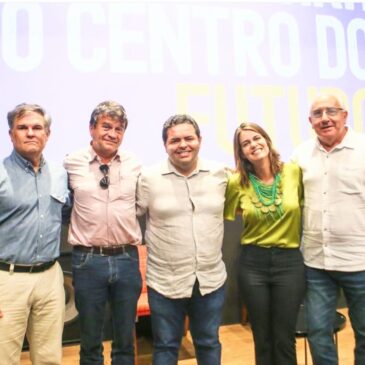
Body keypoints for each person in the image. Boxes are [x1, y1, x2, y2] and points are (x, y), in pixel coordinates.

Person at [136, 114, 227, 365]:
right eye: (175, 140)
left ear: (200, 140)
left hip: (210, 280)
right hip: (165, 282)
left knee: (209, 344)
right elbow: (131, 215)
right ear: (165, 145)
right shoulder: (148, 178)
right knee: (165, 347)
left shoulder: (220, 174)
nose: (183, 144)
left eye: (189, 138)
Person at [64, 101, 142, 365]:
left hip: (127, 258)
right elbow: (64, 207)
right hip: (88, 260)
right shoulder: (71, 163)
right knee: (90, 341)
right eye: (106, 126)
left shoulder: (134, 164)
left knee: (124, 341)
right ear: (91, 129)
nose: (112, 133)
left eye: (118, 129)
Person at [291, 93, 365, 365]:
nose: (325, 118)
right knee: (318, 332)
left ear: (345, 115)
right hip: (316, 263)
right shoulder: (300, 155)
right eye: (317, 114)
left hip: (361, 262)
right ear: (310, 121)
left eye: (331, 111)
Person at [225, 122, 305, 365]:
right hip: (253, 263)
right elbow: (234, 211)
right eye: (245, 143)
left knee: (284, 337)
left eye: (257, 138)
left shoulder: (294, 172)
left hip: (289, 263)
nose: (253, 145)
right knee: (262, 337)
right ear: (241, 153)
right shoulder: (236, 182)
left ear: (267, 140)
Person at [0, 103, 70, 365]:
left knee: (49, 358)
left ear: (47, 135)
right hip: (7, 280)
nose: (30, 133)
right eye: (22, 127)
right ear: (11, 134)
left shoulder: (59, 174)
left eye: (37, 128)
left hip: (51, 277)